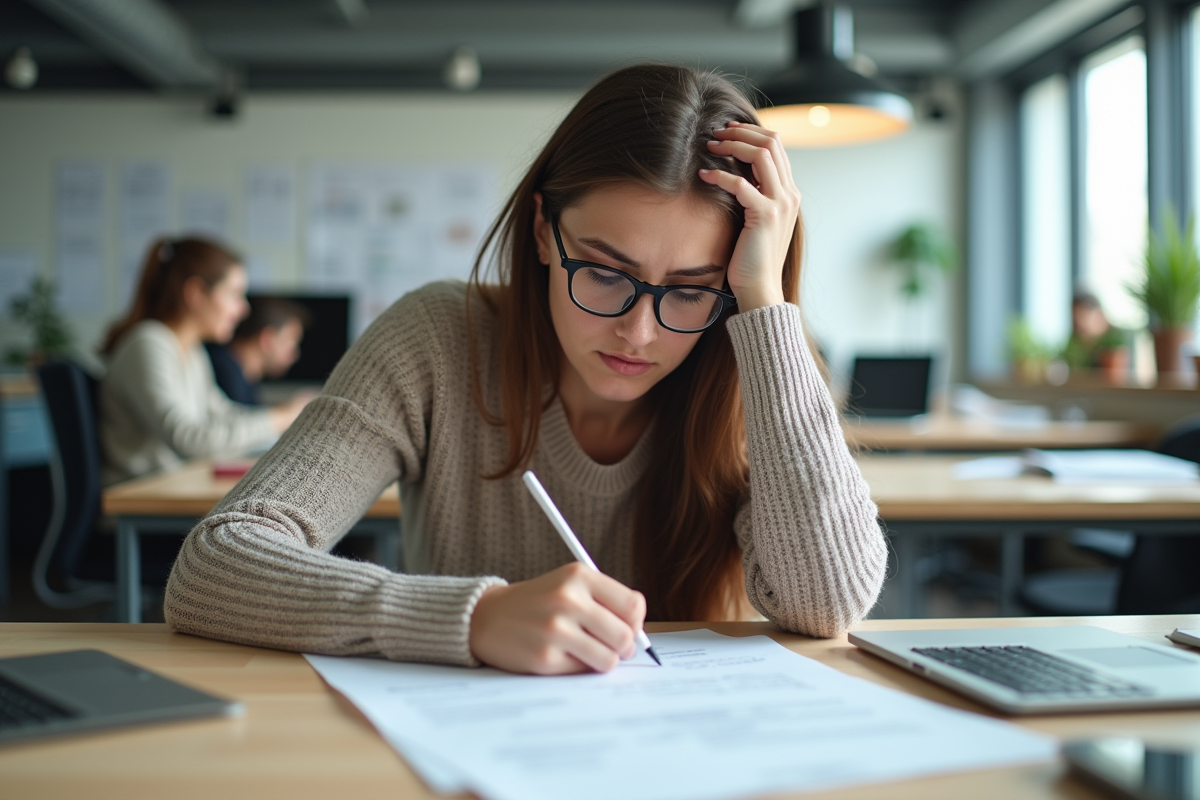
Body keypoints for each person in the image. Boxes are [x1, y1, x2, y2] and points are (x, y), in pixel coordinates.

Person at [164, 65, 888, 674]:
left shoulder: (756, 362)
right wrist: (470, 617)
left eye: (692, 290)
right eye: (605, 272)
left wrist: (762, 306)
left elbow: (826, 604)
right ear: (544, 230)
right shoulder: (437, 339)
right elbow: (217, 565)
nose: (639, 331)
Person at [99, 238, 311, 484]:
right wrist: (281, 417)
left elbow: (223, 415)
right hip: (139, 500)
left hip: (173, 488)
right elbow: (189, 440)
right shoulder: (148, 344)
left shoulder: (193, 352)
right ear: (196, 293)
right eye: (234, 295)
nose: (243, 310)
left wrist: (287, 416)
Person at [206, 298, 313, 405]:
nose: (295, 354)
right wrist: (288, 412)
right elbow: (237, 420)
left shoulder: (247, 380)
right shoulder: (224, 373)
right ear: (268, 339)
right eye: (291, 343)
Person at [1061, 290, 1128, 376]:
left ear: (1098, 314)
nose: (1078, 325)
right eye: (1074, 321)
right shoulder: (1074, 340)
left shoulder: (1116, 339)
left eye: (1082, 317)